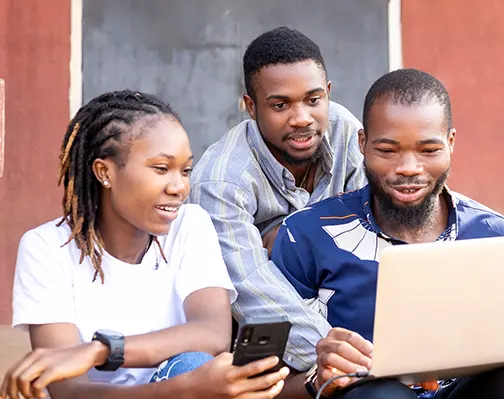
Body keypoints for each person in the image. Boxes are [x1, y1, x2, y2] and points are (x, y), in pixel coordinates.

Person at [269, 69, 504, 398]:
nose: (409, 168)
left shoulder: (493, 232)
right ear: (363, 143)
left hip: (467, 392)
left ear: (451, 143)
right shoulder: (306, 234)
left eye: (428, 151)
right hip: (368, 394)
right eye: (388, 150)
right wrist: (318, 378)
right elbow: (264, 381)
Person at [1, 90, 289, 399]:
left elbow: (212, 333)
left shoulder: (190, 225)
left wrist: (101, 351)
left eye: (185, 170)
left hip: (184, 385)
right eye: (161, 169)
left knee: (195, 363)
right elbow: (68, 390)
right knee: (193, 368)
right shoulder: (46, 247)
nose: (179, 187)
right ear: (104, 172)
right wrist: (184, 390)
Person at [188, 26, 365, 372]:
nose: (301, 118)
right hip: (270, 345)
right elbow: (252, 295)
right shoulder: (220, 180)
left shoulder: (344, 129)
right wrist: (344, 359)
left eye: (314, 100)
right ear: (250, 107)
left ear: (327, 93)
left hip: (349, 312)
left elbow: (375, 229)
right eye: (280, 105)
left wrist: (294, 237)